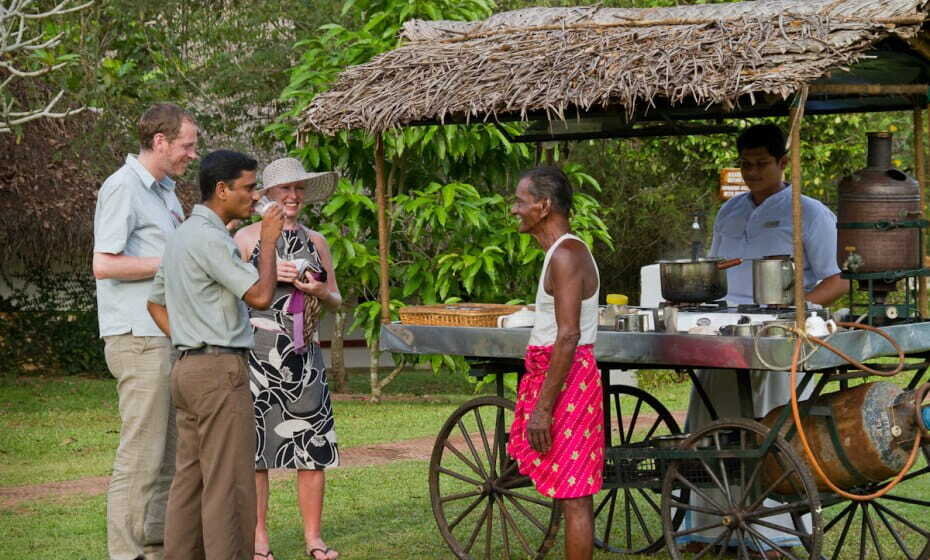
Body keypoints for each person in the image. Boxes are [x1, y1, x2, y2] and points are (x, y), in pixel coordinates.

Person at [677, 123, 848, 557]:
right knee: (713, 425)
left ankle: (777, 537)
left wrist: (794, 311)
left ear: (782, 163)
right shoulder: (729, 212)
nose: (753, 172)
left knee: (774, 431)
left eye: (762, 164)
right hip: (725, 333)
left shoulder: (809, 212)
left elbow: (835, 282)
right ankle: (714, 531)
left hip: (780, 337)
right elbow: (716, 270)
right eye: (746, 164)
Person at [146, 150, 284, 560]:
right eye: (248, 187)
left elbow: (154, 304)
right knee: (229, 484)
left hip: (188, 369)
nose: (254, 195)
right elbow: (260, 296)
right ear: (222, 190)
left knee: (190, 481)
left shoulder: (182, 235)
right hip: (219, 370)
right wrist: (269, 240)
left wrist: (190, 338)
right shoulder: (211, 239)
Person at [92, 103, 198, 560]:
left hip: (166, 336)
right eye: (186, 145)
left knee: (167, 455)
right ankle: (126, 553)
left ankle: (154, 547)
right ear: (160, 142)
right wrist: (171, 261)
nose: (192, 154)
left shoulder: (165, 193)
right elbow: (104, 264)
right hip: (137, 338)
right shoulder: (122, 189)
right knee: (141, 453)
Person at [232, 158, 342, 560]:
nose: (292, 196)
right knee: (257, 452)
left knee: (311, 451)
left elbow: (336, 298)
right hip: (257, 352)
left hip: (304, 353)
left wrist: (315, 291)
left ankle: (314, 539)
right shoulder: (245, 238)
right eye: (284, 190)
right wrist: (265, 274)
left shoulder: (317, 241)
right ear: (270, 195)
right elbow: (229, 295)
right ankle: (259, 540)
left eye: (298, 189)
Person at [506, 166, 604, 560]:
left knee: (575, 496)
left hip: (568, 381)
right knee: (571, 491)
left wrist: (543, 410)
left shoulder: (566, 254)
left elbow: (568, 335)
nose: (515, 209)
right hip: (562, 375)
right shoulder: (560, 253)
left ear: (544, 206)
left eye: (520, 201)